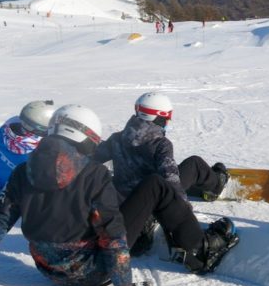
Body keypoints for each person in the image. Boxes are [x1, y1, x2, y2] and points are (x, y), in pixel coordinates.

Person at [0, 104, 239, 286]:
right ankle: (200, 251)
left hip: (48, 271)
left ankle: (149, 232)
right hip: (95, 273)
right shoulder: (94, 175)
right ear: (84, 138)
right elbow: (113, 236)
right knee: (156, 186)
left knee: (135, 193)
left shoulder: (23, 172)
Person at [93, 92, 230, 253]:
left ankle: (144, 226)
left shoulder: (117, 138)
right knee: (194, 163)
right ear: (160, 117)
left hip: (128, 205)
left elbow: (93, 156)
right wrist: (183, 212)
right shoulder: (160, 144)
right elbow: (170, 178)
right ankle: (217, 184)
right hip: (155, 200)